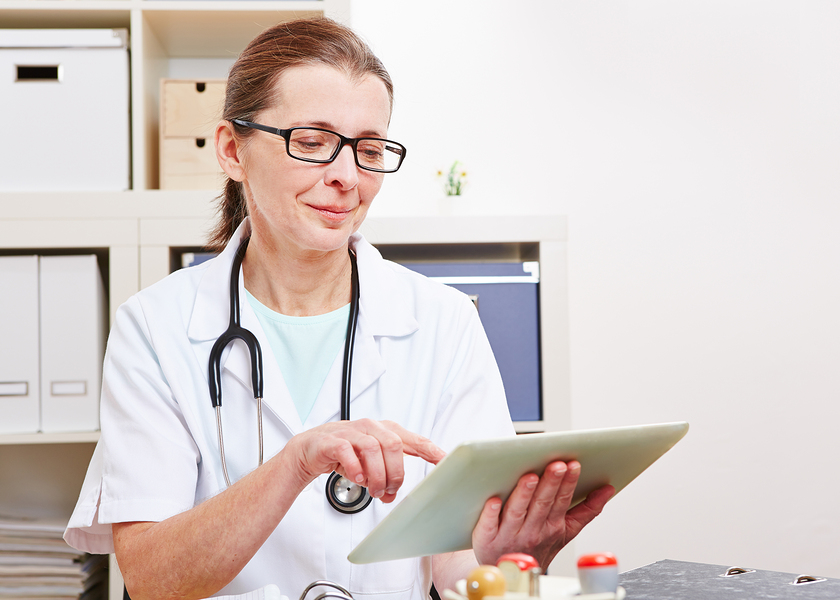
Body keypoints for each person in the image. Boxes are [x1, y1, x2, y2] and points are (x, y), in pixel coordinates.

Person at [64, 17, 615, 600]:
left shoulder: (444, 321)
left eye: (370, 149)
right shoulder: (156, 327)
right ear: (233, 150)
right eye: (312, 142)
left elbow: (460, 567)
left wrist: (508, 558)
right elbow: (151, 577)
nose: (347, 177)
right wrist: (295, 464)